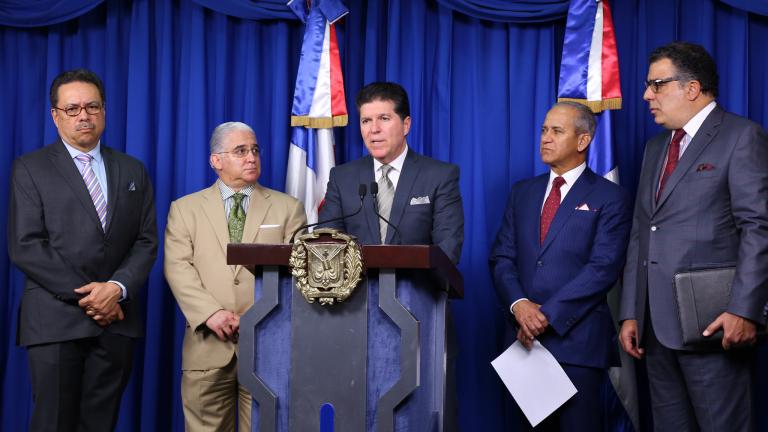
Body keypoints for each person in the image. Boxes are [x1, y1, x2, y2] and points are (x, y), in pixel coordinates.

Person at [619, 42, 768, 431]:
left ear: (692, 88)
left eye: (657, 84)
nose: (646, 95)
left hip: (714, 324)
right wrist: (632, 310)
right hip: (654, 329)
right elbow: (642, 230)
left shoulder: (741, 136)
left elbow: (758, 227)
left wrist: (745, 310)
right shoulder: (655, 148)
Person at [7, 69, 157, 431]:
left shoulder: (132, 169)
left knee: (101, 424)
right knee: (53, 423)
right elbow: (26, 245)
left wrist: (115, 291)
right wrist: (92, 298)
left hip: (117, 323)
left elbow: (146, 240)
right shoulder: (30, 168)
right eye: (72, 109)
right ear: (55, 116)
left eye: (92, 106)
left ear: (104, 110)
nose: (83, 116)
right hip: (55, 322)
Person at [490, 102, 632, 430]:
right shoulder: (522, 192)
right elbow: (502, 258)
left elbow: (603, 268)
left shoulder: (611, 197)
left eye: (557, 131)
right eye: (543, 130)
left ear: (582, 141)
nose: (545, 138)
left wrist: (544, 316)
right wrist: (520, 305)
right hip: (522, 344)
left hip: (576, 344)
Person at [164, 121, 306, 431]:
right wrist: (211, 313)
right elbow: (178, 267)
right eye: (240, 151)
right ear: (216, 160)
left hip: (267, 347)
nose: (251, 157)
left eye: (255, 150)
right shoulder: (184, 209)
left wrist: (256, 318)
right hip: (207, 347)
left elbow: (296, 274)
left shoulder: (288, 209)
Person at [318, 81, 464, 264]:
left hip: (416, 289)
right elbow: (326, 247)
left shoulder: (439, 176)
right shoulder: (342, 178)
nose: (374, 129)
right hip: (357, 290)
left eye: (384, 118)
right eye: (366, 121)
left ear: (406, 125)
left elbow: (447, 251)